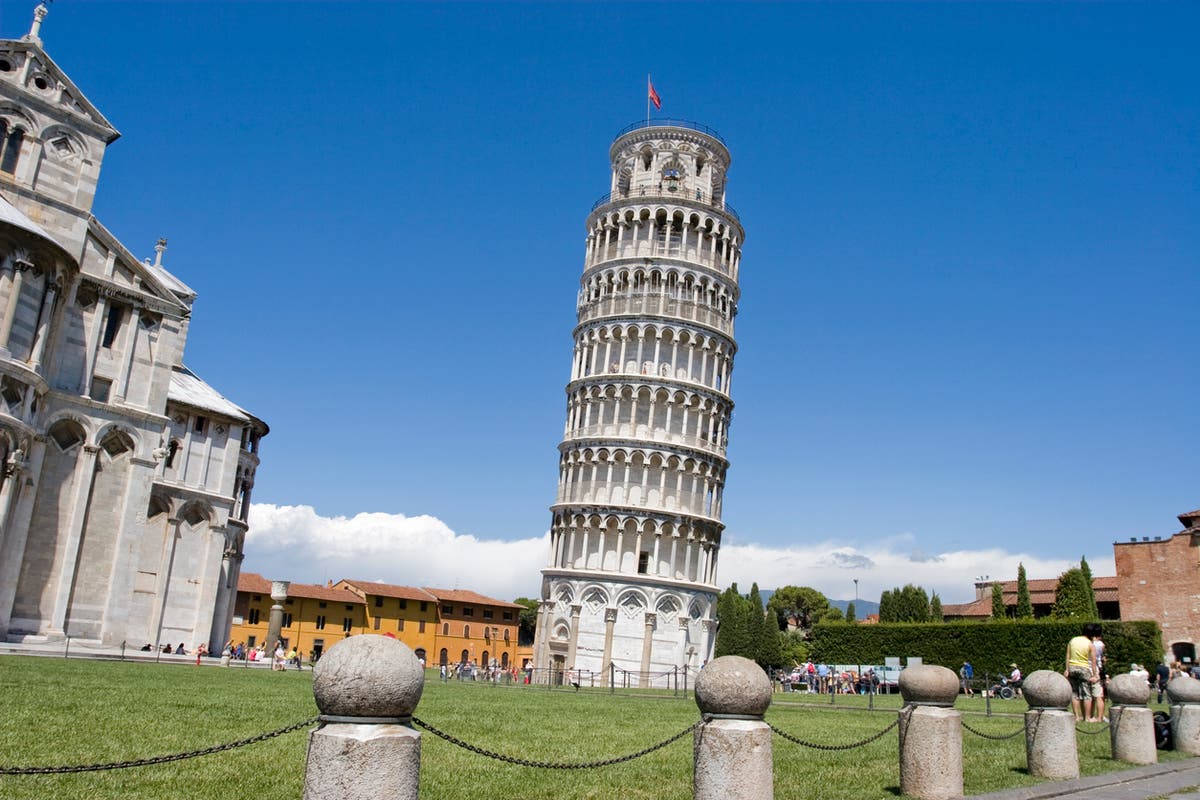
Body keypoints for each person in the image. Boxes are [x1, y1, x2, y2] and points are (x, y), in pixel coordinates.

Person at [1064, 622, 1101, 722]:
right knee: (1086, 694)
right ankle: (1087, 717)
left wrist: (1067, 669)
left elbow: (1068, 656)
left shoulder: (1073, 640)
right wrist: (1094, 675)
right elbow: (1093, 661)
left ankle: (1076, 717)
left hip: (1072, 667)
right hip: (1083, 669)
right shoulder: (1089, 644)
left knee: (1074, 693)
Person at [1090, 633, 1107, 722]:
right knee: (1099, 695)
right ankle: (1100, 716)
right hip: (1097, 669)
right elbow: (1103, 658)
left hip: (1087, 668)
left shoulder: (1087, 642)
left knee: (1090, 696)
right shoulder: (1101, 644)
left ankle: (1090, 715)